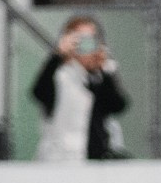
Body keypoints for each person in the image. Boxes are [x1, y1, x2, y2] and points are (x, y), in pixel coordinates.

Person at [32, 15, 129, 162]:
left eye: (93, 40)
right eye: (81, 41)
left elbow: (118, 106)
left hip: (95, 164)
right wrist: (57, 56)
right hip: (62, 162)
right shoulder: (60, 77)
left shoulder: (99, 79)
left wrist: (105, 69)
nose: (88, 48)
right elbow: (39, 92)